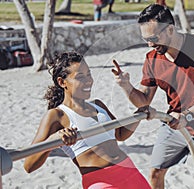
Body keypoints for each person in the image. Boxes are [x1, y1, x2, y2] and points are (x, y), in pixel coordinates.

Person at [112, 4, 194, 189]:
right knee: (156, 172)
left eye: (154, 38)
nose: (150, 44)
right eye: (145, 39)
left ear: (170, 29)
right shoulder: (152, 59)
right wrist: (126, 86)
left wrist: (187, 115)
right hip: (173, 124)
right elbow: (144, 101)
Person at [23, 51, 152, 189]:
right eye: (80, 77)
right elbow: (29, 165)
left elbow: (119, 134)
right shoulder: (56, 116)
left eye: (88, 74)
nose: (88, 81)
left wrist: (138, 115)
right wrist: (54, 140)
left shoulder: (98, 105)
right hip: (101, 182)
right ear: (62, 82)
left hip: (129, 171)